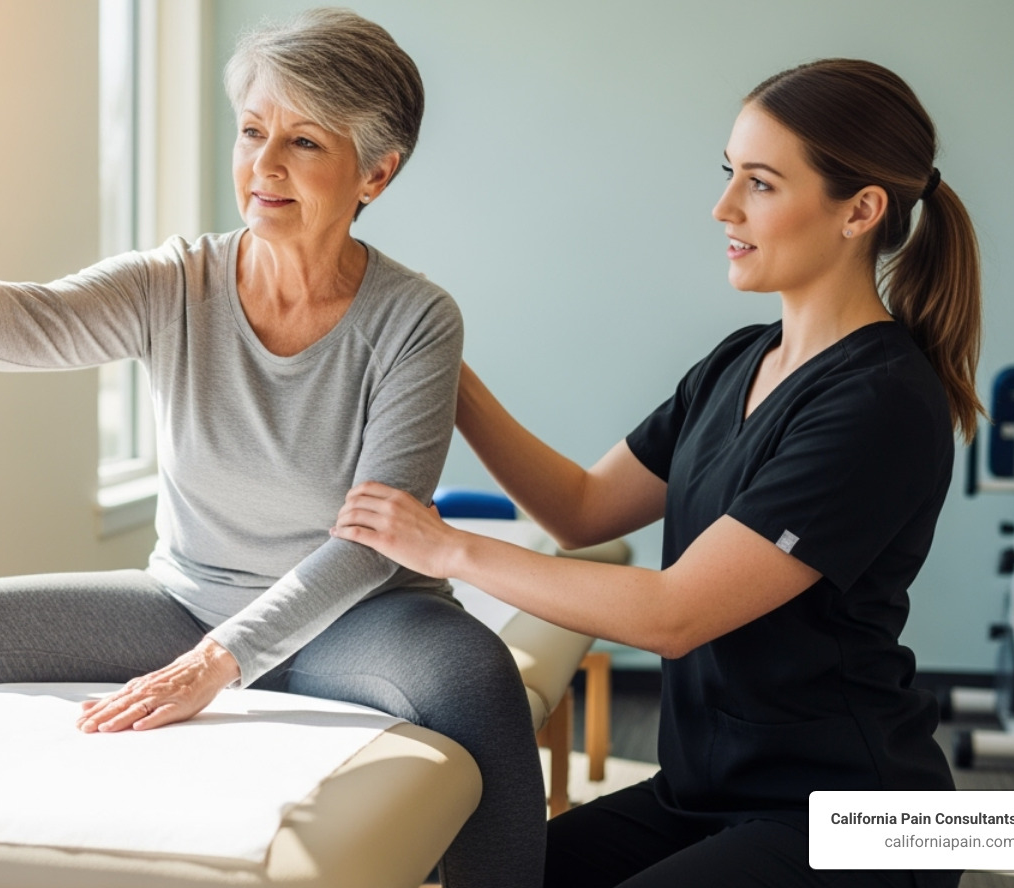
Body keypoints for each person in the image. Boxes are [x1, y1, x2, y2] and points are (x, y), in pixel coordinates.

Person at [0, 7, 544, 888]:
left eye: (305, 142)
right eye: (252, 131)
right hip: (185, 598)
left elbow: (371, 541)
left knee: (478, 677)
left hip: (360, 621)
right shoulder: (181, 280)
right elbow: (45, 316)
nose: (264, 164)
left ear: (377, 173)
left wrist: (217, 666)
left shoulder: (415, 319)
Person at [333, 59, 977, 888]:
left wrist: (448, 548)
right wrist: (436, 361)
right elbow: (582, 508)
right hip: (702, 791)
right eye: (728, 175)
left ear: (860, 210)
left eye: (762, 184)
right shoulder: (738, 363)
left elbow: (675, 615)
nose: (724, 208)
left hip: (853, 813)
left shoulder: (880, 402)